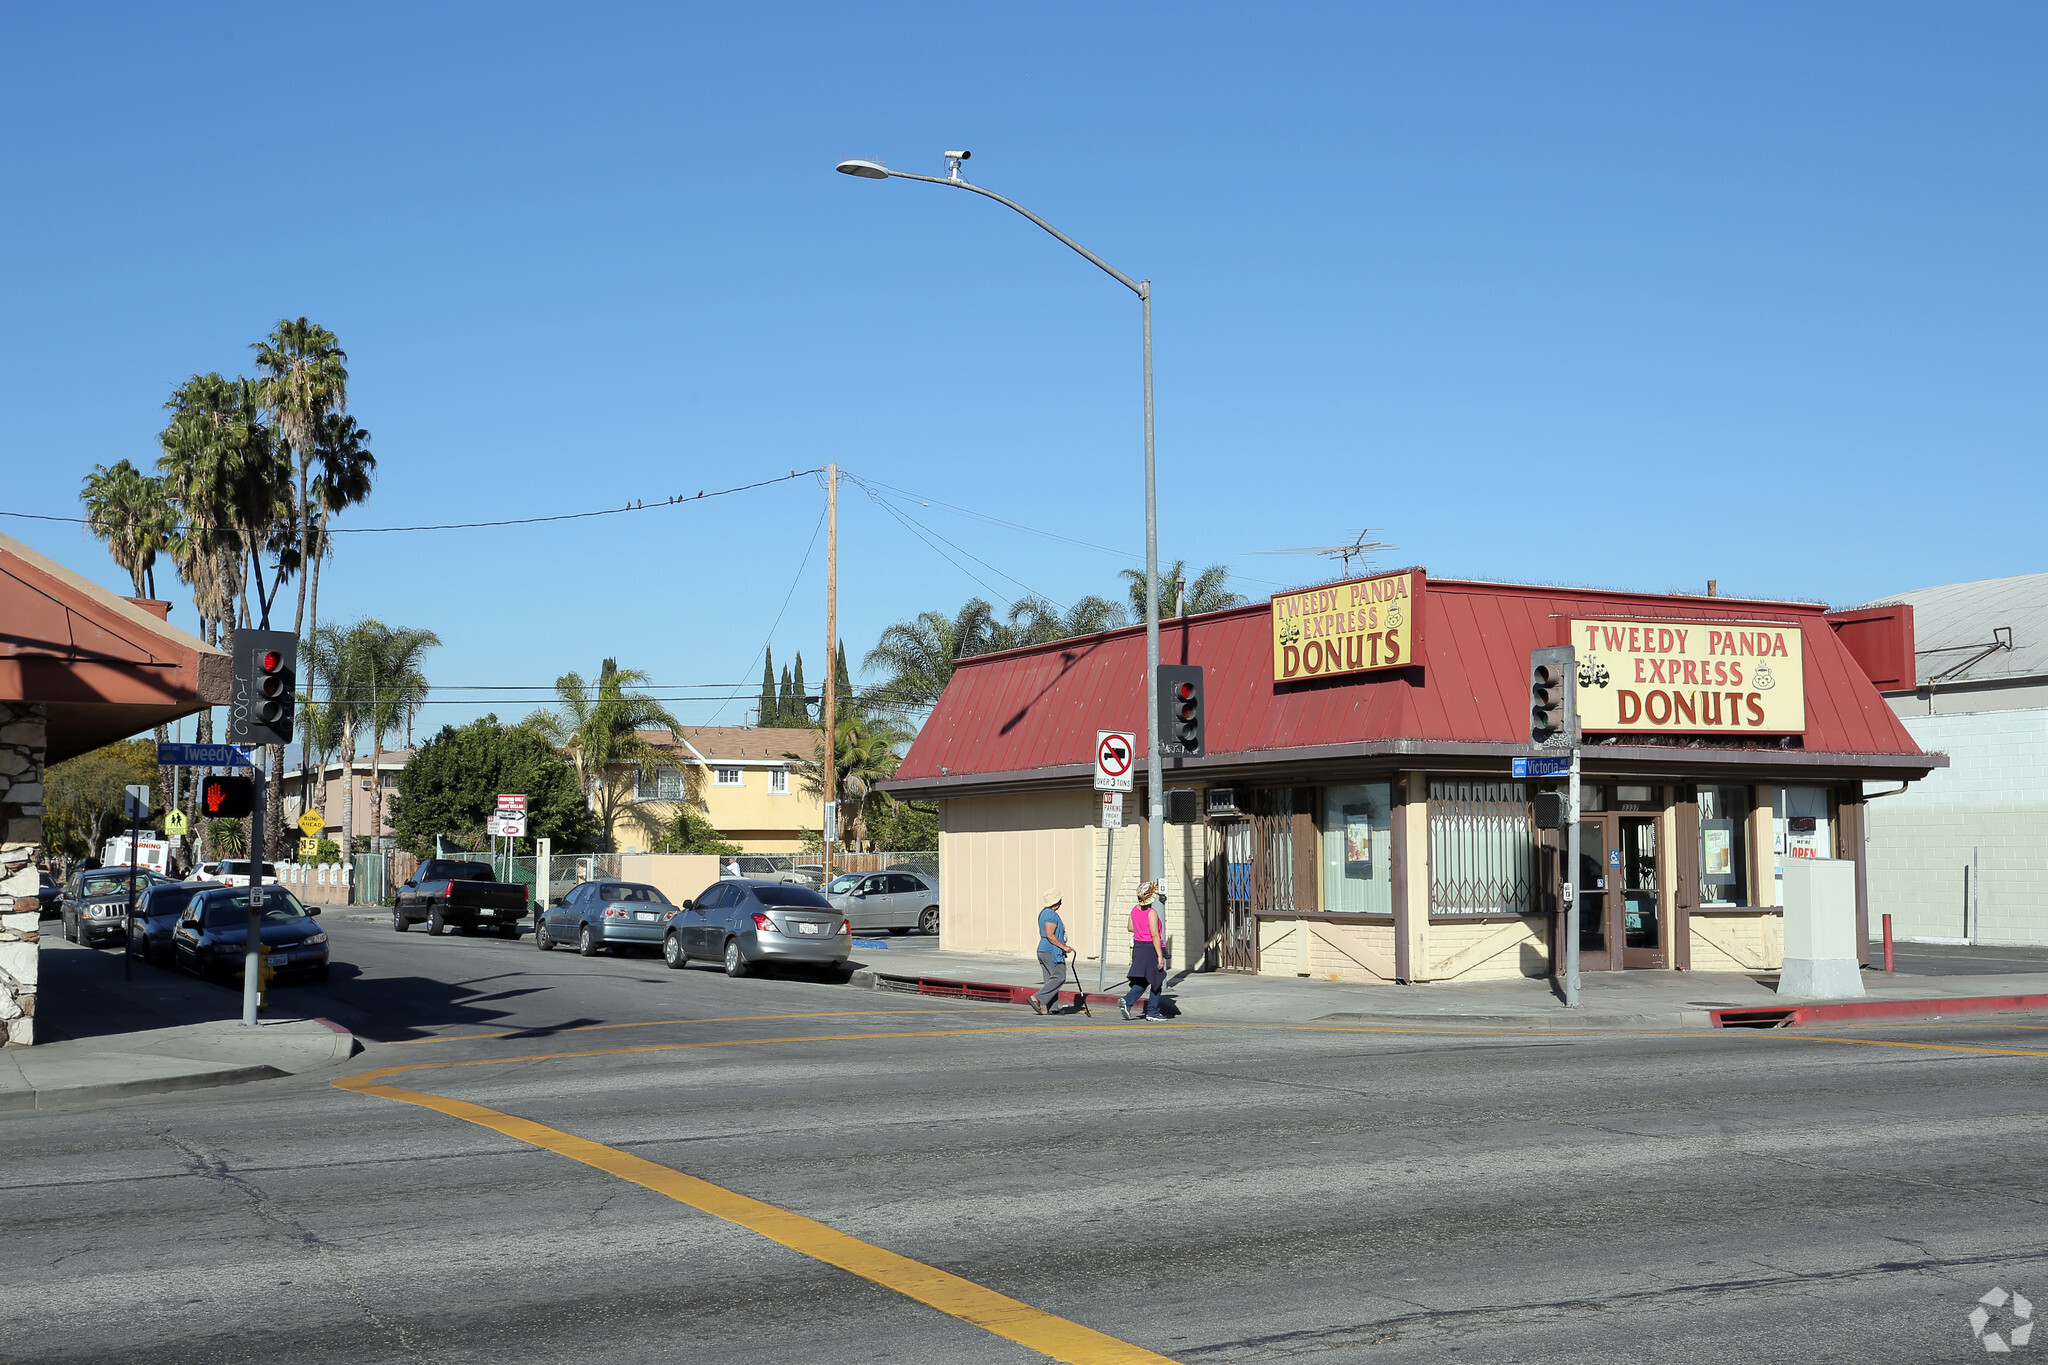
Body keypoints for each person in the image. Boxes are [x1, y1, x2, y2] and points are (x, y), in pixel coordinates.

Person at [1121, 881, 1169, 1021]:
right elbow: (1155, 935)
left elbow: (1130, 927)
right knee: (1156, 979)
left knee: (1144, 979)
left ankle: (1127, 1001)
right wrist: (1160, 956)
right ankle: (1152, 1012)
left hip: (1138, 947)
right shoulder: (1151, 913)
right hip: (1150, 948)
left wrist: (1141, 929)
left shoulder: (1134, 910)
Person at [1031, 889, 1074, 1016]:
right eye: (1060, 900)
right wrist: (1063, 946)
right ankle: (1036, 998)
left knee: (1050, 979)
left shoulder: (1045, 913)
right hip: (1051, 951)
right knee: (1059, 977)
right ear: (1056, 902)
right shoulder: (1050, 914)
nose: (1061, 902)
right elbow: (1050, 934)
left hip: (1044, 950)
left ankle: (1053, 1007)